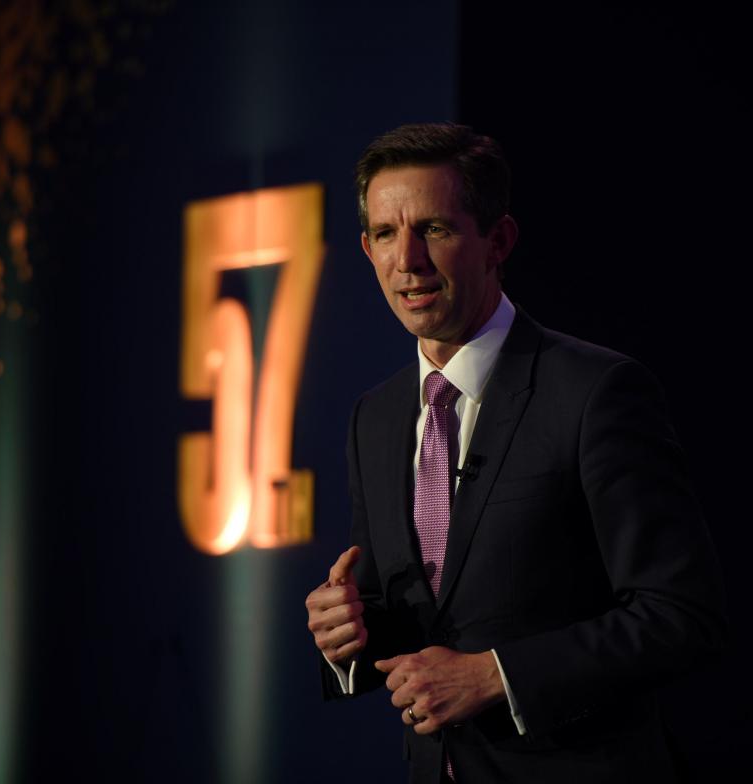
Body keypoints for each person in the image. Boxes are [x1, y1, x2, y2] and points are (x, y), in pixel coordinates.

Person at [304, 123, 726, 783]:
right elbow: (419, 615)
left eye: (435, 230)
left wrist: (498, 676)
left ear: (498, 241)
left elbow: (681, 616)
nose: (408, 259)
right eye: (386, 234)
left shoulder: (593, 392)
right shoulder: (376, 418)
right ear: (365, 248)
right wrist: (350, 634)